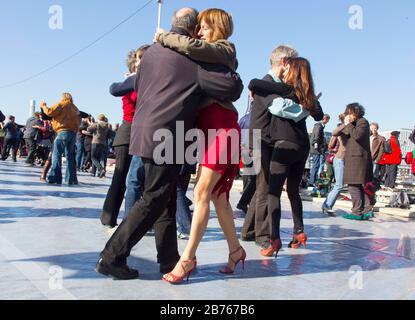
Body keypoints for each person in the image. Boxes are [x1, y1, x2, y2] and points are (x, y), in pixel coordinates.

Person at [95, 7, 243, 281]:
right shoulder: (189, 59)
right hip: (171, 137)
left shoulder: (150, 53)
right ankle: (112, 256)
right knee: (155, 197)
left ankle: (168, 258)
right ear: (190, 30)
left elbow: (134, 86)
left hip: (141, 131)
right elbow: (231, 89)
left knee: (164, 199)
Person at [156, 8, 245, 283]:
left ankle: (188, 258)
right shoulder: (207, 53)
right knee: (218, 196)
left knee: (202, 192)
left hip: (221, 126)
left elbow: (189, 45)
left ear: (217, 27)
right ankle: (236, 251)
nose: (199, 31)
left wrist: (164, 36)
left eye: (204, 26)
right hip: (208, 128)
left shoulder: (224, 49)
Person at [248, 57, 324, 256]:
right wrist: (307, 107)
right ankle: (299, 231)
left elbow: (259, 89)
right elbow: (318, 114)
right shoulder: (306, 93)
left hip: (284, 144)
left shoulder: (284, 89)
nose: (284, 72)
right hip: (302, 146)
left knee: (273, 193)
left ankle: (274, 240)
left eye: (288, 68)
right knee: (293, 191)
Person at [240, 45, 298, 247]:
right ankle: (263, 236)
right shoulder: (267, 84)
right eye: (294, 64)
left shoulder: (269, 84)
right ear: (284, 63)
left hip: (260, 140)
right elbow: (280, 109)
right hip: (261, 140)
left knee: (260, 187)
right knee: (266, 189)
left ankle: (249, 231)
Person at [101, 45, 150, 230]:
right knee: (121, 178)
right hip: (128, 130)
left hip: (140, 131)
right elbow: (115, 89)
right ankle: (109, 217)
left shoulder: (141, 80)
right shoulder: (132, 81)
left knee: (136, 178)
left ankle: (133, 219)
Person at [333, 103, 374, 220]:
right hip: (352, 157)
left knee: (353, 185)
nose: (349, 115)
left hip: (358, 158)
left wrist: (348, 124)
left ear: (356, 112)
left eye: (350, 113)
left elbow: (357, 135)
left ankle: (356, 212)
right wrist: (344, 124)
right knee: (357, 185)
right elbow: (335, 133)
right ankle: (366, 209)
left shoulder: (363, 122)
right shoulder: (352, 124)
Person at [41, 93, 81, 185]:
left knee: (56, 154)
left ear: (63, 97)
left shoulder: (61, 104)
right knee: (70, 157)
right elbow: (79, 121)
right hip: (73, 133)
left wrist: (44, 106)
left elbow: (50, 112)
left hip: (62, 132)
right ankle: (71, 179)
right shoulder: (75, 108)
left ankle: (55, 177)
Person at [322, 114, 347, 215]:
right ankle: (327, 205)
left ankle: (326, 204)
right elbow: (331, 144)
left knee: (339, 184)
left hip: (343, 158)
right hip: (339, 157)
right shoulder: (341, 129)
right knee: (339, 185)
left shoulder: (347, 129)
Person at [309, 114, 330, 185]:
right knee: (316, 164)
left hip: (316, 148)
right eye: (328, 120)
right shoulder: (319, 126)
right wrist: (316, 144)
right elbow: (317, 135)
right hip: (316, 149)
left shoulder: (319, 126)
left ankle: (312, 180)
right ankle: (312, 181)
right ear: (325, 119)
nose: (328, 122)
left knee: (316, 164)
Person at [87, 114, 110, 178]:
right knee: (99, 158)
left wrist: (90, 123)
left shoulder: (97, 124)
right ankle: (94, 172)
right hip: (103, 143)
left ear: (98, 119)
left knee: (93, 157)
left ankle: (100, 169)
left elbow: (88, 129)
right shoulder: (107, 125)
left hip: (96, 142)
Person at [370, 122, 386, 187]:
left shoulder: (380, 138)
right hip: (366, 159)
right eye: (372, 128)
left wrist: (377, 159)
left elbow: (381, 150)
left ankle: (372, 189)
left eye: (375, 128)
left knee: (374, 175)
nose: (373, 130)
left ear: (377, 129)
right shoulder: (366, 137)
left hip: (374, 159)